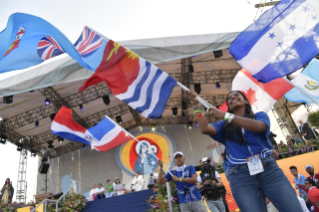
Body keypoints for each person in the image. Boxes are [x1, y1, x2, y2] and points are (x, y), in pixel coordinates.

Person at [187, 90, 303, 212]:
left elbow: (260, 127)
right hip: (240, 177)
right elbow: (205, 128)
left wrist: (227, 116)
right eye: (229, 99)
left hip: (269, 170)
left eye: (237, 95)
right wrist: (197, 106)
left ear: (246, 101)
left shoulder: (260, 116)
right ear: (228, 106)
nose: (233, 98)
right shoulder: (224, 125)